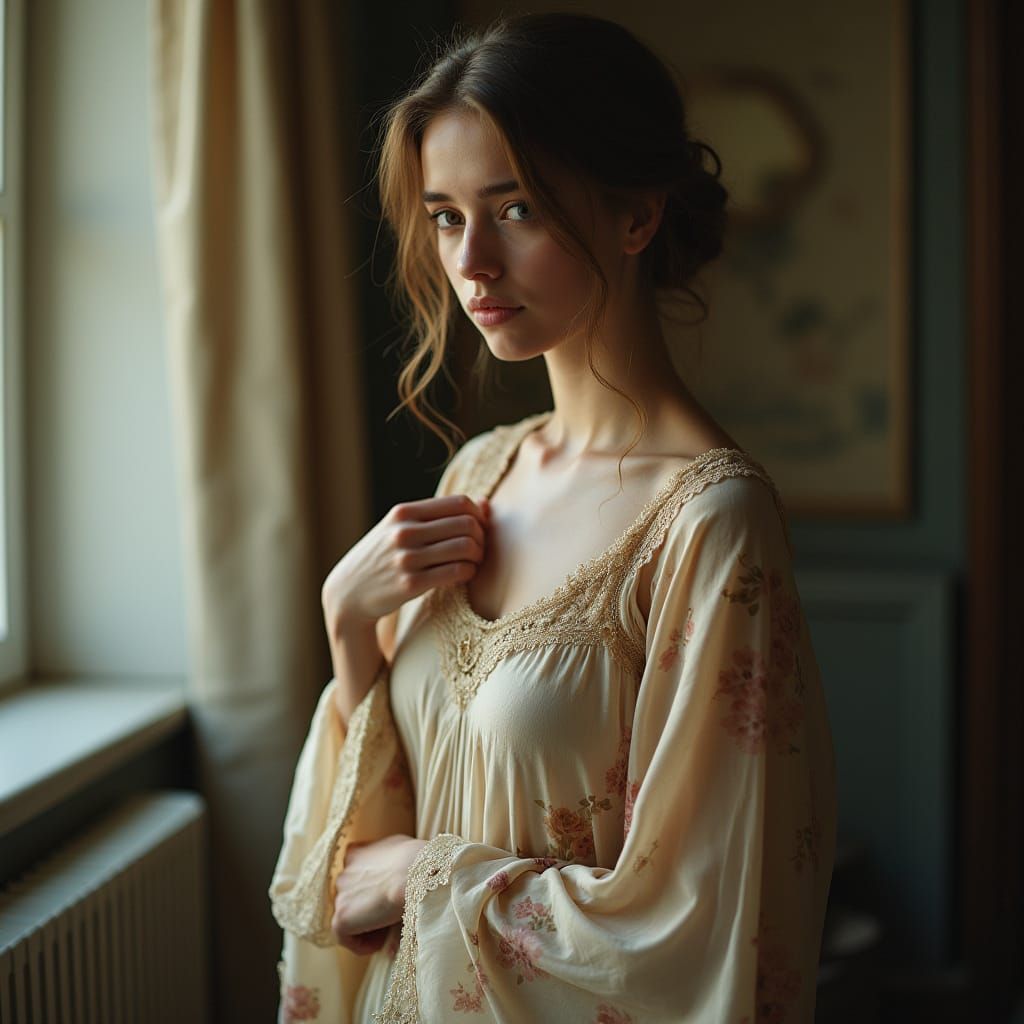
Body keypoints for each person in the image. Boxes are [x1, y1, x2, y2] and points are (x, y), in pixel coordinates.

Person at [269, 11, 837, 1023]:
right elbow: (357, 860)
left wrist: (426, 878)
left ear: (635, 214)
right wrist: (348, 626)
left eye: (515, 207)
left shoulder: (709, 525)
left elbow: (697, 923)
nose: (471, 262)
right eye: (445, 216)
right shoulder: (480, 470)